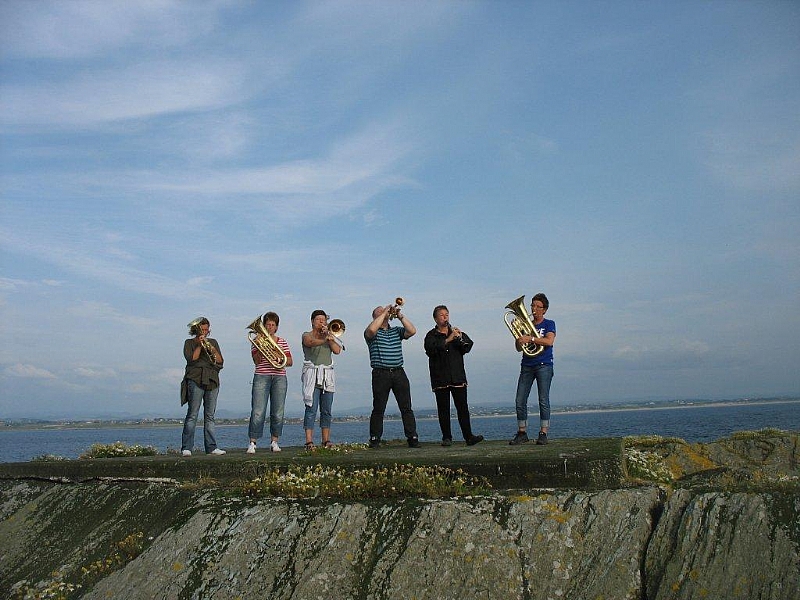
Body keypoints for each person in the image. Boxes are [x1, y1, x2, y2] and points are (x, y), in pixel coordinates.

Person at [424, 305, 484, 447]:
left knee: (463, 408)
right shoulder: (431, 335)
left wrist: (460, 337)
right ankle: (447, 437)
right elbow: (430, 350)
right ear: (436, 319)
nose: (445, 318)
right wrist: (448, 339)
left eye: (447, 315)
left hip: (457, 376)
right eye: (442, 315)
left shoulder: (455, 332)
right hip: (441, 377)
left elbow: (467, 347)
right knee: (443, 409)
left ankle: (468, 436)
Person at [364, 303, 420, 448]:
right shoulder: (371, 333)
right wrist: (384, 313)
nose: (384, 312)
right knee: (379, 408)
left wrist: (399, 315)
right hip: (380, 373)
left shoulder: (396, 331)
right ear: (375, 317)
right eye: (380, 312)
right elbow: (371, 329)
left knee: (406, 407)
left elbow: (412, 331)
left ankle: (412, 437)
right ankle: (375, 438)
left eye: (385, 311)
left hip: (399, 372)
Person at [509, 293, 556, 446]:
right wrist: (520, 339)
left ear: (545, 309)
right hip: (527, 365)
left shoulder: (549, 323)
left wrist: (532, 339)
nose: (534, 309)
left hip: (544, 364)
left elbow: (549, 341)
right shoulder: (526, 324)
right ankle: (522, 432)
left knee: (543, 400)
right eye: (532, 305)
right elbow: (518, 348)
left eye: (537, 306)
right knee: (520, 399)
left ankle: (543, 433)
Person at [247, 312, 293, 454]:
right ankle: (253, 443)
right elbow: (256, 361)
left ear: (276, 327)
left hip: (279, 377)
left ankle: (274, 442)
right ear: (264, 326)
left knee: (278, 412)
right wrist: (261, 346)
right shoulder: (256, 340)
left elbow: (289, 362)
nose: (270, 327)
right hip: (261, 375)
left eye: (273, 325)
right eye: (268, 324)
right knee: (258, 411)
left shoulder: (282, 341)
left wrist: (277, 355)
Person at [180, 317, 226, 456]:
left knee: (210, 415)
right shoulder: (189, 343)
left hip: (212, 379)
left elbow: (219, 360)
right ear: (196, 330)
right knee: (192, 414)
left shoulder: (213, 342)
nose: (205, 332)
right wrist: (200, 345)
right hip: (195, 378)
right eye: (202, 329)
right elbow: (192, 359)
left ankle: (211, 447)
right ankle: (187, 447)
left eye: (206, 329)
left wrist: (209, 346)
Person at [301, 309, 343, 449]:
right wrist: (324, 339)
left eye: (324, 320)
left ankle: (326, 440)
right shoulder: (307, 334)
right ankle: (309, 441)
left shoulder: (329, 335)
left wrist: (330, 337)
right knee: (311, 409)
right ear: (312, 321)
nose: (322, 322)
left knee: (327, 410)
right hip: (312, 374)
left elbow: (337, 351)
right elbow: (310, 342)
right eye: (319, 320)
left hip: (327, 376)